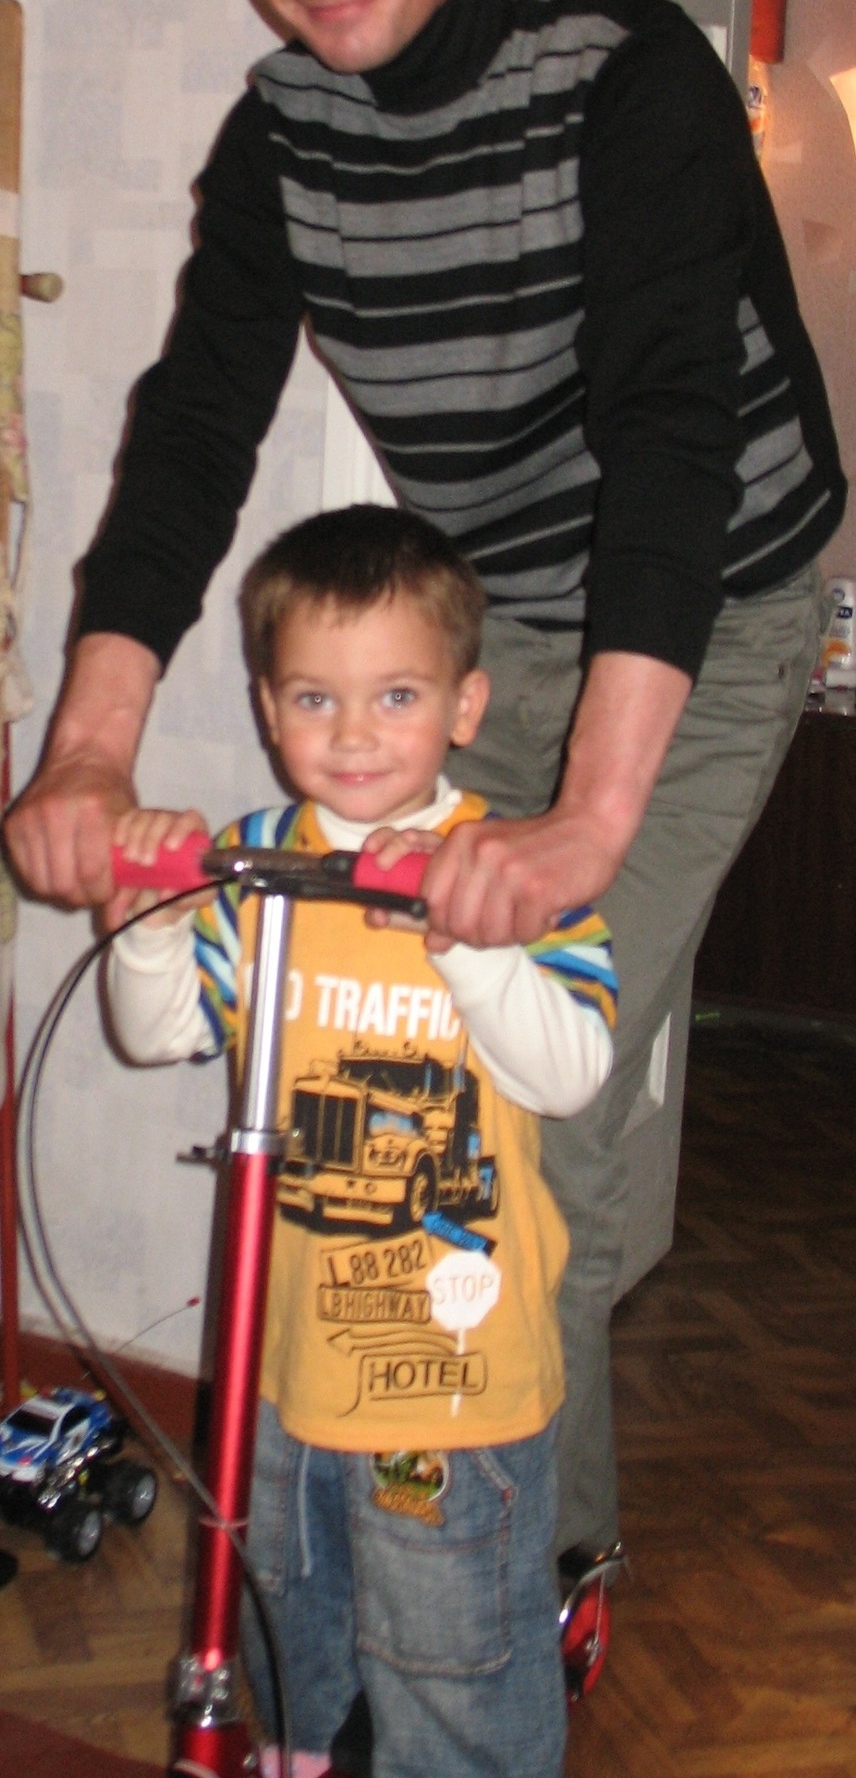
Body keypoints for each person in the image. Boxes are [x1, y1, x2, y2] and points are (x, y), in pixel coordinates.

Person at [3, 0, 846, 1564]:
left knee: (533, 1105)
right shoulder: (284, 136)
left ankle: (530, 1591)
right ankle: (423, 1551)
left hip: (711, 601)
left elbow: (671, 448)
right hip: (498, 620)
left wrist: (587, 824)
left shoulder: (624, 74)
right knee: (443, 1077)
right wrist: (88, 747)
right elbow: (195, 433)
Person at [106, 502, 617, 1778]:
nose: (350, 734)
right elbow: (159, 1033)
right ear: (268, 707)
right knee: (288, 1624)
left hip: (452, 1371)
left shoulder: (514, 866)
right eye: (313, 698)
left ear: (462, 703)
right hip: (281, 1357)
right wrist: (152, 927)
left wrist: (470, 940)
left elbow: (569, 1073)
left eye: (395, 695)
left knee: (452, 1659)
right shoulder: (253, 860)